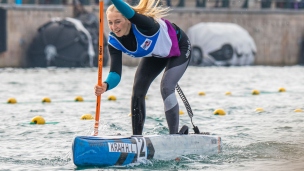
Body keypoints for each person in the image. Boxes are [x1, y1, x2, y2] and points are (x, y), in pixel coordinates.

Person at [94, 0, 191, 135]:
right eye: (110, 23)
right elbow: (115, 72)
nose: (114, 27)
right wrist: (106, 85)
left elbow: (132, 14)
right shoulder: (114, 42)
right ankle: (137, 137)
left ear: (128, 20)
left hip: (180, 47)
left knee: (166, 87)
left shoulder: (145, 25)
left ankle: (174, 136)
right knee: (138, 91)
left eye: (117, 22)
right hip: (156, 54)